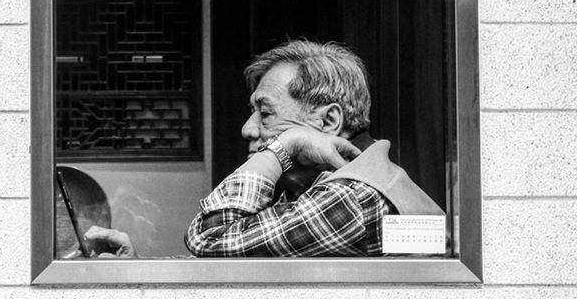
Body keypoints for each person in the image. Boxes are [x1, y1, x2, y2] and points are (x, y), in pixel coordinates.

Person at [86, 39, 441, 258]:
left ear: (328, 122)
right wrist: (136, 273)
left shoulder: (353, 196)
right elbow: (233, 276)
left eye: (265, 112)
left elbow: (209, 240)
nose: (247, 128)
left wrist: (282, 146)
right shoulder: (315, 187)